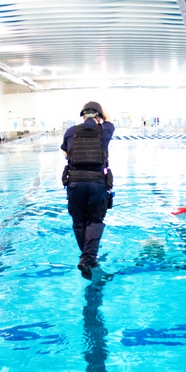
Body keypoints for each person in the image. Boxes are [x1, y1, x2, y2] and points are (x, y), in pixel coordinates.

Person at [61, 101, 114, 279]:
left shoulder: (71, 132)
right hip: (96, 183)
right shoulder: (104, 131)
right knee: (95, 221)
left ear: (82, 116)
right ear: (99, 116)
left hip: (75, 183)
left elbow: (65, 154)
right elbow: (110, 119)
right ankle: (88, 259)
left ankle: (88, 258)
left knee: (79, 222)